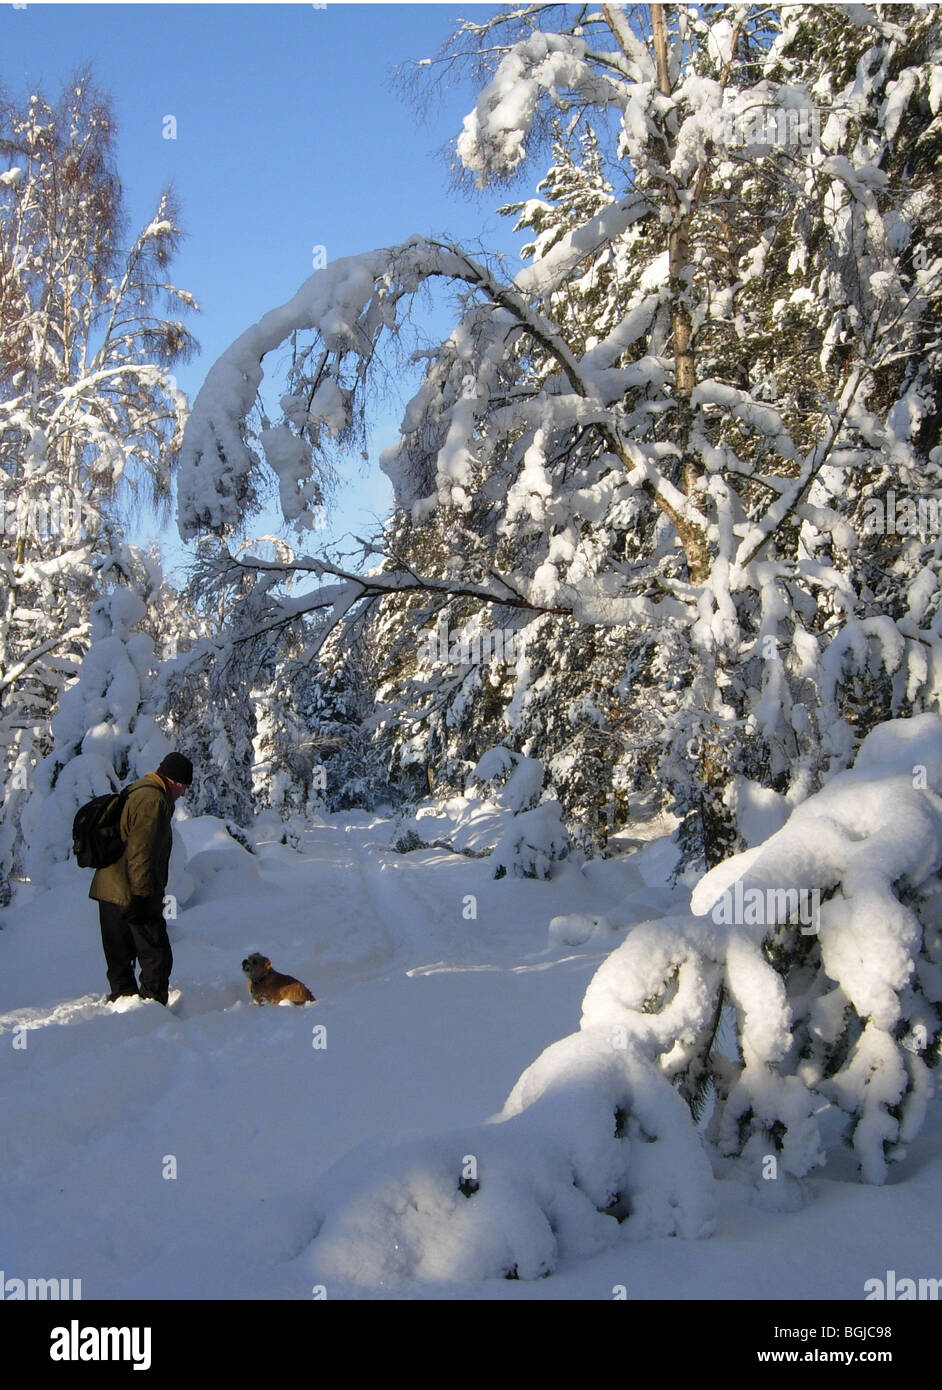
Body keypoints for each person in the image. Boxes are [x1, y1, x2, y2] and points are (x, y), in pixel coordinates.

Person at [89, 753, 193, 1005]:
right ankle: (151, 1008)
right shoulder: (153, 801)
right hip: (131, 891)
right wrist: (142, 896)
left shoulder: (137, 790)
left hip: (109, 888)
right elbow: (142, 851)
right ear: (176, 782)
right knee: (155, 953)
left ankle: (123, 1004)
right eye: (184, 788)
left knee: (119, 954)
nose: (182, 795)